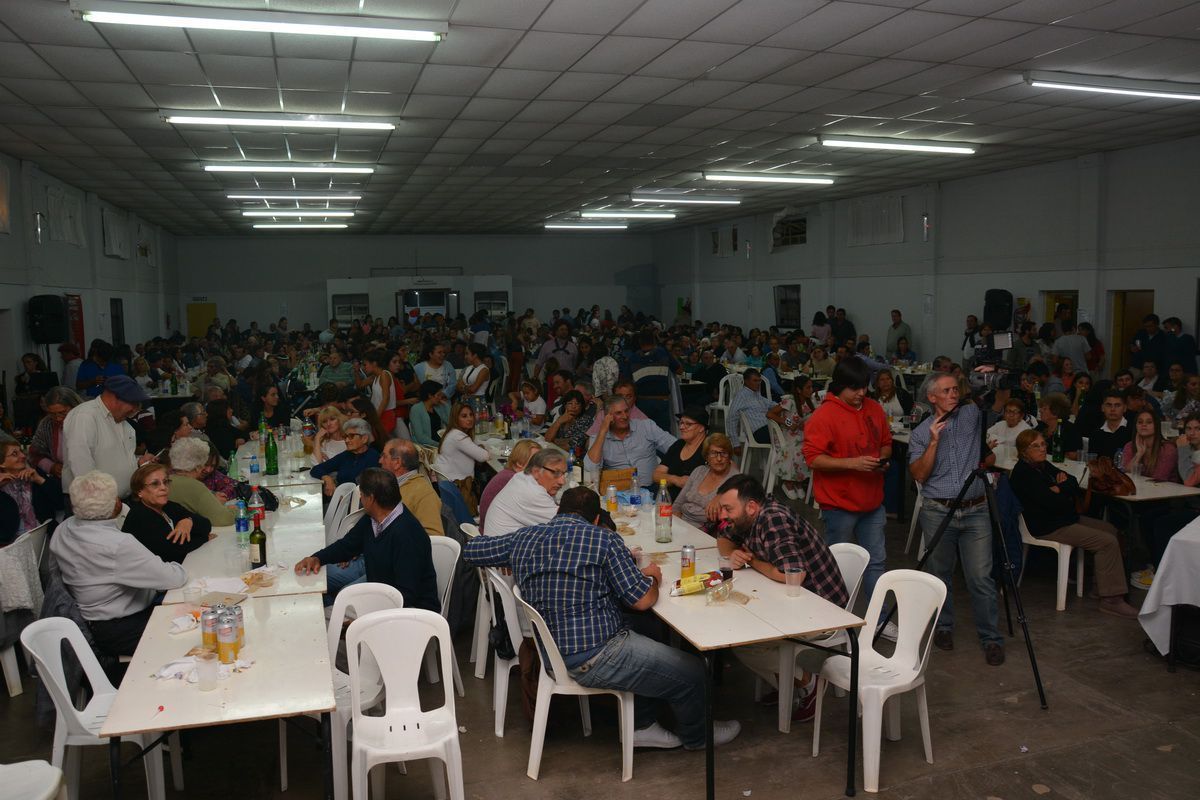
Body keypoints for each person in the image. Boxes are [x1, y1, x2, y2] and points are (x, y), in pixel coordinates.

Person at [464, 485, 740, 751]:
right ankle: (698, 737)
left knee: (647, 627)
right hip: (594, 655)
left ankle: (643, 724)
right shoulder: (603, 540)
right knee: (693, 672)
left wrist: (509, 559)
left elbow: (472, 550)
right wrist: (653, 578)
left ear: (558, 512)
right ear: (597, 519)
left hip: (550, 650)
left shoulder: (523, 538)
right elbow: (642, 600)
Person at [716, 474, 848, 721]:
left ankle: (808, 684)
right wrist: (734, 554)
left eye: (728, 509)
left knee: (745, 643)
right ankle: (788, 685)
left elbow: (793, 575)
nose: (723, 515)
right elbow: (723, 538)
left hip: (822, 609)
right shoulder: (748, 518)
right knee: (741, 626)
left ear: (751, 506)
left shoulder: (773, 519)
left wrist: (753, 561)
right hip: (792, 600)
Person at [908, 373, 1005, 665]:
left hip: (976, 510)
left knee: (981, 577)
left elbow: (988, 395)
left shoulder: (971, 415)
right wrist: (934, 442)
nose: (954, 394)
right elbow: (919, 475)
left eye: (955, 390)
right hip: (938, 510)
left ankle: (991, 639)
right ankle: (944, 627)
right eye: (947, 391)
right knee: (940, 574)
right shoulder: (921, 432)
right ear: (932, 397)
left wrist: (982, 375)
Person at [51, 471, 187, 675]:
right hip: (123, 627)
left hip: (88, 622)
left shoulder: (64, 529)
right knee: (193, 630)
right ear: (115, 503)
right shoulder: (117, 544)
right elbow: (174, 577)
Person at [1009, 430, 1139, 618]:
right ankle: (1112, 600)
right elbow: (1053, 502)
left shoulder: (1042, 465)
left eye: (1043, 444)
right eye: (1035, 446)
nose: (1042, 449)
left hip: (1062, 518)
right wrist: (1061, 492)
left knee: (1111, 530)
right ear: (1023, 451)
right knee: (1106, 541)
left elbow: (1072, 481)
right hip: (1047, 526)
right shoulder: (1023, 473)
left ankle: (1100, 587)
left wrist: (1058, 488)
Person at [803, 358, 891, 610]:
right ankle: (835, 619)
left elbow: (886, 443)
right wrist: (853, 464)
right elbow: (813, 459)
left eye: (864, 386)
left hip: (872, 502)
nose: (861, 393)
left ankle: (879, 621)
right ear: (840, 385)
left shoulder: (874, 408)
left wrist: (882, 460)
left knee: (876, 563)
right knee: (837, 565)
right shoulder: (824, 416)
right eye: (854, 388)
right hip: (839, 505)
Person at [295, 468, 440, 611]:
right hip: (383, 593)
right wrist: (317, 558)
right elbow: (346, 546)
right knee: (321, 589)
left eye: (362, 494)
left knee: (340, 604)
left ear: (370, 499)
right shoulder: (373, 519)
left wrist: (365, 616)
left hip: (412, 612)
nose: (360, 498)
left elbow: (406, 594)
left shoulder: (408, 535)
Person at [62, 375, 152, 499]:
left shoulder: (122, 420)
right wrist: (101, 500)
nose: (136, 409)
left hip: (119, 501)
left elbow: (114, 458)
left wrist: (138, 462)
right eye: (134, 403)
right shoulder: (85, 416)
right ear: (115, 397)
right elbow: (80, 464)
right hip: (94, 502)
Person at [122, 462, 215, 564]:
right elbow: (174, 552)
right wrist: (204, 538)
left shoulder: (168, 506)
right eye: (155, 484)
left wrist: (188, 521)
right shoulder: (139, 515)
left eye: (165, 482)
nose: (163, 487)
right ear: (139, 491)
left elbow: (206, 525)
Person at [585, 395, 676, 489]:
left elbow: (675, 446)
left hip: (653, 488)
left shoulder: (646, 426)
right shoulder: (599, 437)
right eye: (618, 413)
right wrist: (603, 430)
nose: (625, 416)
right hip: (618, 492)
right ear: (608, 416)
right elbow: (590, 468)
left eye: (626, 411)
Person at [484, 449, 566, 536]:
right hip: (503, 544)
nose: (562, 482)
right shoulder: (533, 493)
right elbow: (567, 525)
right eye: (556, 473)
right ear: (536, 471)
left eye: (564, 474)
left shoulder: (521, 477)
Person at [166, 437, 237, 526]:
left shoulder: (165, 480)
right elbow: (224, 519)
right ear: (198, 465)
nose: (207, 469)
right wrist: (235, 509)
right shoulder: (195, 486)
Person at [673, 434, 738, 530]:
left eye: (723, 453)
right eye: (713, 453)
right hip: (681, 524)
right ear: (707, 457)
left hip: (706, 531)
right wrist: (675, 526)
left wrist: (720, 496)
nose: (719, 459)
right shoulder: (699, 471)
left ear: (729, 456)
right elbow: (677, 504)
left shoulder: (735, 479)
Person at [433, 402, 490, 512]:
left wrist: (479, 447)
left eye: (471, 415)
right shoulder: (458, 437)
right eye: (464, 416)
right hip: (458, 486)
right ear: (456, 418)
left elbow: (476, 444)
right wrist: (482, 449)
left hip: (450, 482)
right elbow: (484, 456)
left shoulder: (454, 433)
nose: (469, 419)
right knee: (485, 477)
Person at [310, 418, 381, 497]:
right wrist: (327, 478)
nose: (346, 440)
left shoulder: (374, 458)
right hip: (339, 499)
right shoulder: (346, 455)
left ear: (364, 438)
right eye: (345, 436)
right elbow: (316, 469)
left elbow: (370, 492)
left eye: (351, 436)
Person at [478, 440, 540, 529]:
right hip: (495, 532)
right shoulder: (513, 480)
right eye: (536, 462)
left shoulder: (508, 474)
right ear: (519, 463)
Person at [653, 407, 709, 500]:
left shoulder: (710, 448)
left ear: (701, 428)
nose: (681, 427)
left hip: (694, 502)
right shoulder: (678, 445)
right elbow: (656, 475)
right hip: (667, 500)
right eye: (681, 422)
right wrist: (676, 480)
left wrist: (668, 479)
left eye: (688, 424)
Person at [29, 385, 82, 483]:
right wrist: (51, 466)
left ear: (75, 406)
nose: (58, 418)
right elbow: (34, 454)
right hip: (62, 482)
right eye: (52, 414)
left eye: (63, 412)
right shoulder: (47, 424)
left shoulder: (88, 421)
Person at [0, 439, 47, 535]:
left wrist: (40, 480)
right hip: (11, 540)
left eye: (21, 451)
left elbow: (59, 502)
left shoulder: (34, 473)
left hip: (41, 534)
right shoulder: (2, 485)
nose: (23, 456)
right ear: (2, 464)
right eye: (15, 454)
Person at [1121, 407, 1179, 482]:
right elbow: (1126, 475)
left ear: (1156, 425)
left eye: (1149, 422)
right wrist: (1139, 454)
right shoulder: (1129, 446)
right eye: (1140, 422)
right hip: (1139, 487)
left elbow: (1158, 478)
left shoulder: (1168, 449)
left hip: (1164, 488)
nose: (1144, 425)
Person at [725, 368, 774, 450]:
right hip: (759, 432)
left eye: (759, 381)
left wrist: (785, 404)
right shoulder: (741, 396)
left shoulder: (756, 394)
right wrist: (735, 444)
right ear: (746, 381)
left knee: (788, 429)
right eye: (755, 381)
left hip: (768, 428)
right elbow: (731, 419)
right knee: (787, 432)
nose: (758, 383)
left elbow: (771, 404)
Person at [360, 349, 398, 436]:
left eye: (365, 364)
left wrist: (376, 417)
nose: (364, 368)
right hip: (380, 413)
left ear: (374, 363)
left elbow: (386, 398)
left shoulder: (384, 374)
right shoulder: (376, 377)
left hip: (385, 414)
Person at [1087, 390, 1132, 459]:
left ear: (1125, 408)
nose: (1112, 409)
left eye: (1117, 405)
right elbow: (1092, 461)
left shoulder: (1133, 430)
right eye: (1109, 405)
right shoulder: (1096, 433)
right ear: (1102, 408)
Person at [410, 381, 449, 448]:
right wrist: (439, 445)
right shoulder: (416, 409)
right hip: (426, 446)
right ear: (430, 395)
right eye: (438, 395)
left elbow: (449, 422)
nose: (440, 398)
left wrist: (446, 405)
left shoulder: (437, 407)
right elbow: (420, 437)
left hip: (440, 442)